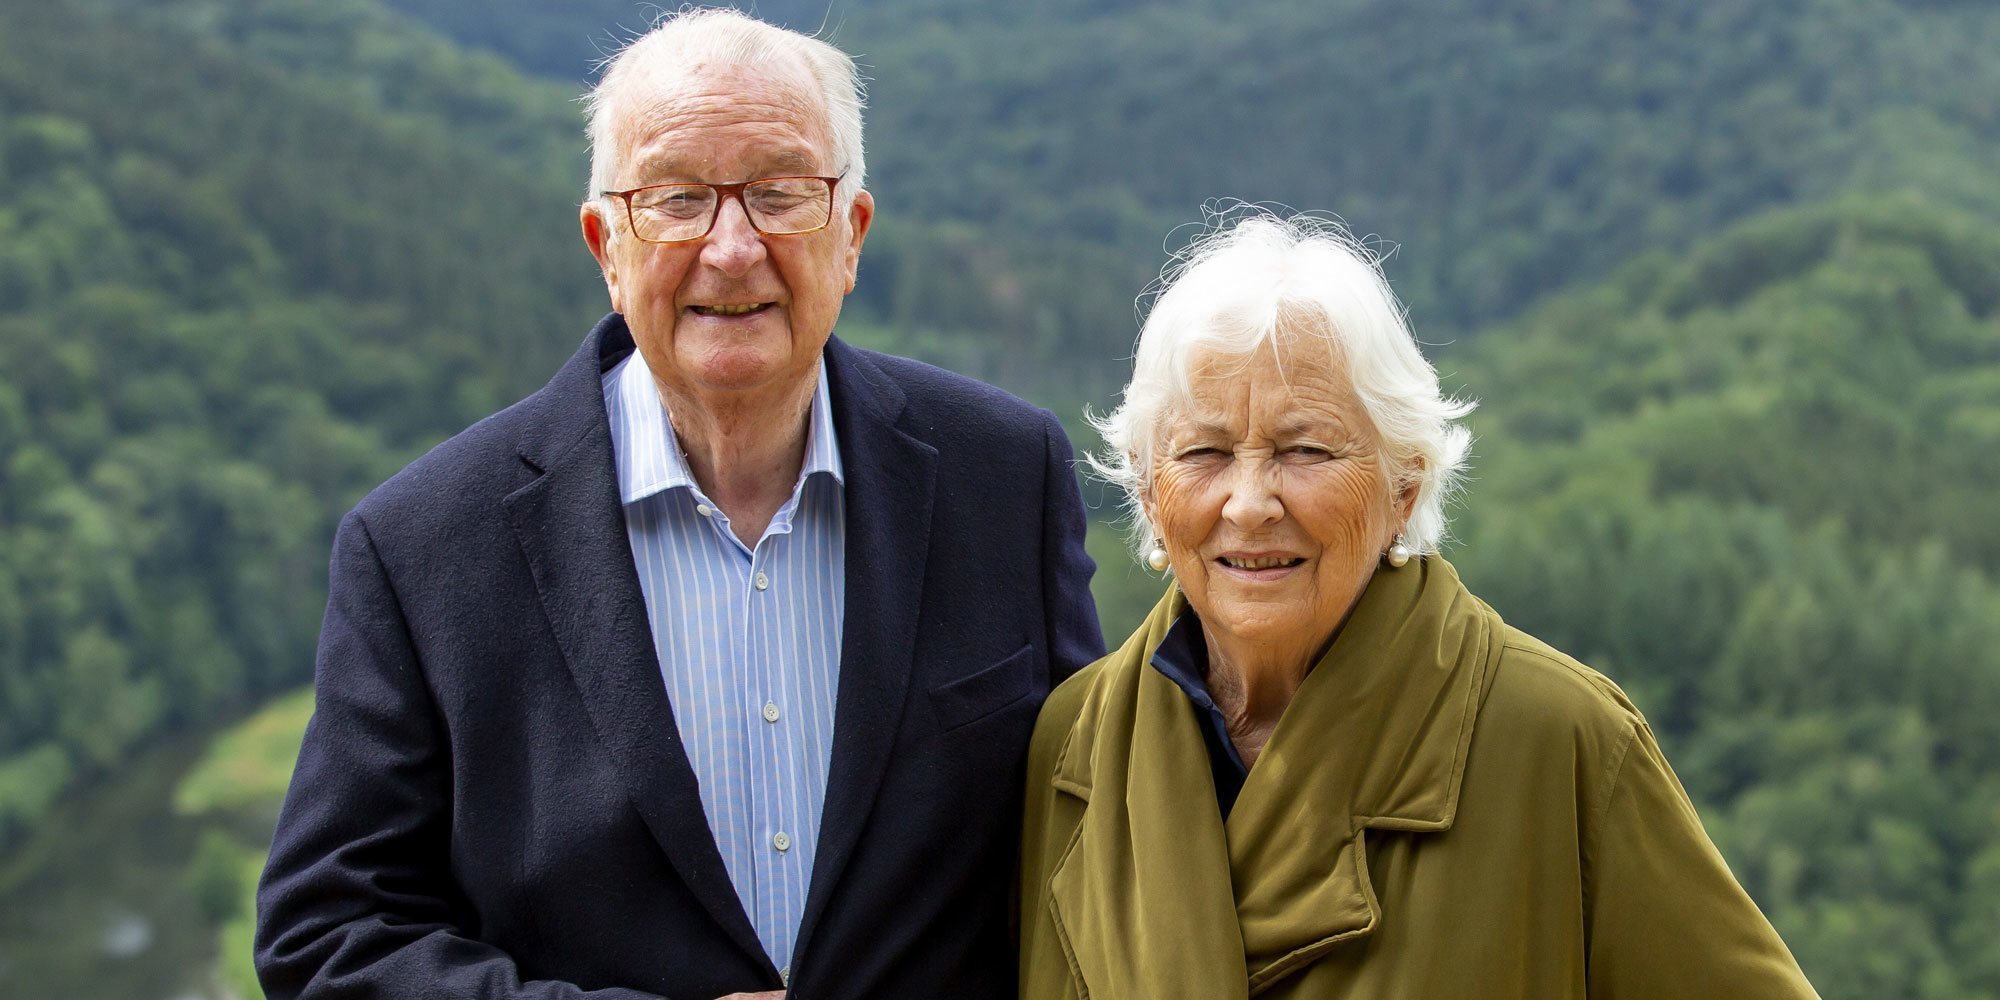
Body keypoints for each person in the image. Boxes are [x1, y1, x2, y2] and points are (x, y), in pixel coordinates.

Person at [255, 10, 1103, 1000]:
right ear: (605, 244)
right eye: (676, 199)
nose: (732, 248)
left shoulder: (1003, 473)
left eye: (781, 192)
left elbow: (1088, 838)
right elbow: (330, 937)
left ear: (851, 235)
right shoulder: (420, 547)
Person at [1017, 213, 1818, 998]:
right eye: (1204, 452)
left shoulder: (1557, 738)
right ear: (1150, 491)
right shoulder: (1073, 747)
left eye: (1306, 450)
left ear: (1405, 484)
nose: (1251, 501)